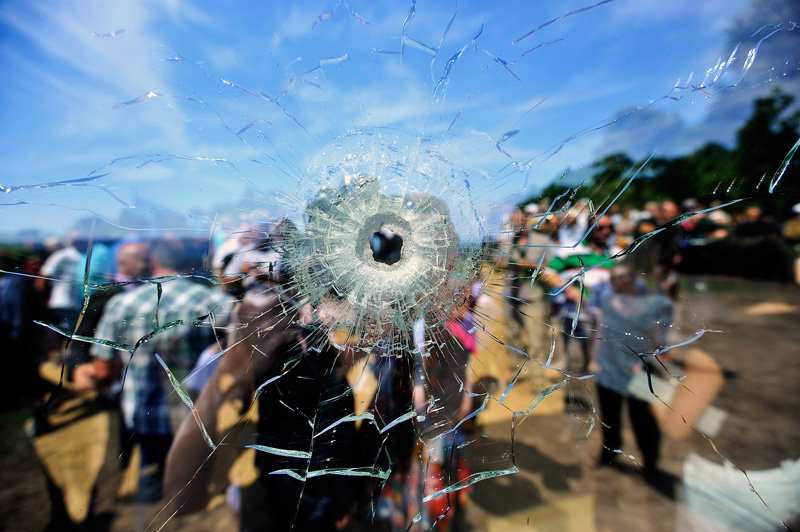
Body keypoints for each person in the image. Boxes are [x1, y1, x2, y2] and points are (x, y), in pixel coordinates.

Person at [75, 239, 230, 502]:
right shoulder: (217, 302)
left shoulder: (122, 304)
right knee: (197, 486)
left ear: (153, 263)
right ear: (192, 265)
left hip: (142, 416)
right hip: (196, 418)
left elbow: (103, 370)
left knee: (151, 489)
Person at [593, 263, 674, 494]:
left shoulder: (649, 305)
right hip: (607, 370)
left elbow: (665, 316)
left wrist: (661, 347)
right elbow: (600, 332)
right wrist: (595, 359)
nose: (622, 281)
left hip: (638, 371)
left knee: (644, 423)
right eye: (617, 277)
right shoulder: (608, 303)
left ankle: (650, 466)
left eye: (627, 276)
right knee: (609, 418)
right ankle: (608, 454)